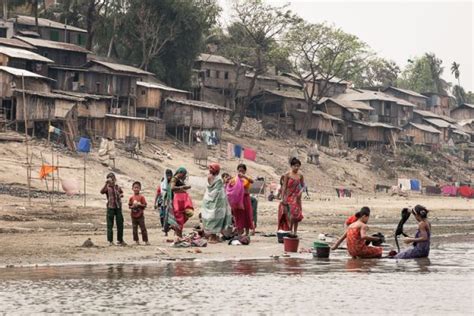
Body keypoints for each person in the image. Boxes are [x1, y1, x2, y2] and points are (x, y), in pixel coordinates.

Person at [201, 163, 233, 243]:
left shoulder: (209, 177)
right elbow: (218, 190)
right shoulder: (218, 179)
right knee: (216, 217)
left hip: (208, 199)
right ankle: (213, 237)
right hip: (217, 202)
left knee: (211, 217)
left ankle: (214, 236)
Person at [278, 157, 304, 236]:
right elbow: (284, 186)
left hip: (297, 197)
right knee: (290, 214)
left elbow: (303, 186)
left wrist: (300, 192)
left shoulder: (300, 175)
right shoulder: (287, 174)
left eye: (298, 166)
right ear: (291, 166)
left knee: (297, 215)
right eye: (295, 166)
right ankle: (290, 231)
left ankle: (295, 232)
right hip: (289, 197)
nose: (296, 168)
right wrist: (282, 198)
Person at [100, 172, 125, 246]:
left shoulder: (117, 187)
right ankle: (110, 241)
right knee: (110, 224)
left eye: (113, 178)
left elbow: (121, 193)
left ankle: (120, 240)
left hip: (118, 207)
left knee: (120, 224)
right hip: (110, 207)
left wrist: (120, 195)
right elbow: (101, 192)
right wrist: (106, 183)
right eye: (110, 178)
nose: (112, 180)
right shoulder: (107, 188)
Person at [168, 167, 193, 238]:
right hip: (178, 199)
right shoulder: (174, 179)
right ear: (180, 173)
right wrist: (182, 187)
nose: (184, 176)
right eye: (183, 174)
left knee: (185, 215)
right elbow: (172, 188)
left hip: (182, 199)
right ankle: (178, 234)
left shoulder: (177, 179)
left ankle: (177, 233)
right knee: (179, 217)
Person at [231, 164, 254, 236]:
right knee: (238, 214)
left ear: (245, 171)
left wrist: (244, 176)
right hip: (238, 200)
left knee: (246, 214)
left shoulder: (247, 178)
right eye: (239, 170)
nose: (240, 172)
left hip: (245, 198)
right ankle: (239, 232)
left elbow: (252, 181)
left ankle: (247, 233)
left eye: (242, 170)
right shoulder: (235, 179)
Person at [128, 181, 149, 245]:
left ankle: (146, 241)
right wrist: (133, 206)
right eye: (135, 188)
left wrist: (139, 205)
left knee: (143, 228)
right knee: (134, 229)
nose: (136, 189)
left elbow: (145, 205)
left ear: (140, 189)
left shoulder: (141, 197)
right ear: (132, 188)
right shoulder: (131, 198)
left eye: (137, 188)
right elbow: (129, 206)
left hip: (140, 215)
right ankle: (136, 241)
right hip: (133, 215)